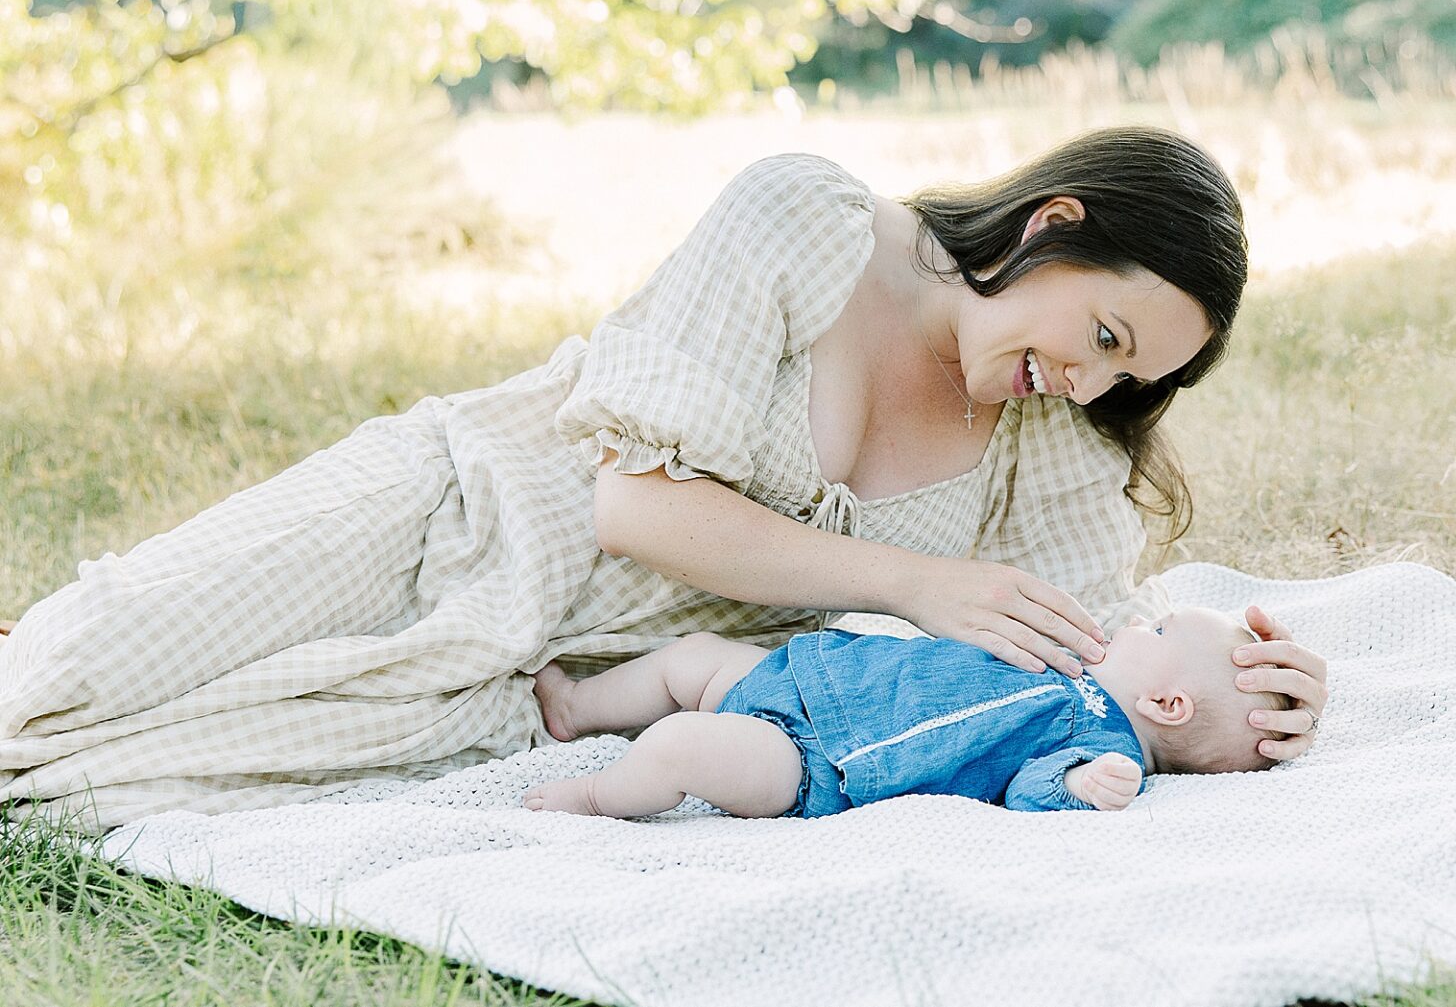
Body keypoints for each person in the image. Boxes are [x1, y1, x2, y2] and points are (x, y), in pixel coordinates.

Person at [0, 126, 1329, 828]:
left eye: (1127, 377)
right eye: (1103, 335)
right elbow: (630, 499)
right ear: (1054, 225)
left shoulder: (1047, 434)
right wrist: (917, 583)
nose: (1091, 384)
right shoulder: (808, 220)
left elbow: (1092, 655)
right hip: (460, 504)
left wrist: (1257, 690)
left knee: (115, 771)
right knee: (78, 663)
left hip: (545, 676)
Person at [521, 605, 1290, 819]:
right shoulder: (1073, 661)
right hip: (810, 679)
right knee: (690, 655)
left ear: (1166, 701)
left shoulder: (1094, 738)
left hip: (820, 764)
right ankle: (576, 706)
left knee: (683, 745)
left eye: (1155, 631)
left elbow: (1029, 789)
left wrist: (1083, 789)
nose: (1135, 624)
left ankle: (593, 795)